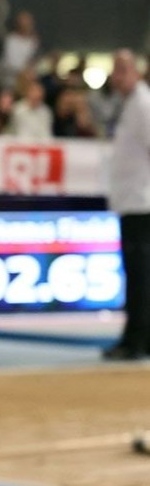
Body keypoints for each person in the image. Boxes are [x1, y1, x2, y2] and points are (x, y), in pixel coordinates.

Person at [104, 49, 150, 361]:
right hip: (133, 200)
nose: (116, 77)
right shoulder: (131, 104)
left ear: (137, 72)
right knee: (137, 274)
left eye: (123, 70)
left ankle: (137, 338)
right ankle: (140, 336)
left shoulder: (143, 104)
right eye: (115, 70)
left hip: (141, 202)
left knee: (139, 275)